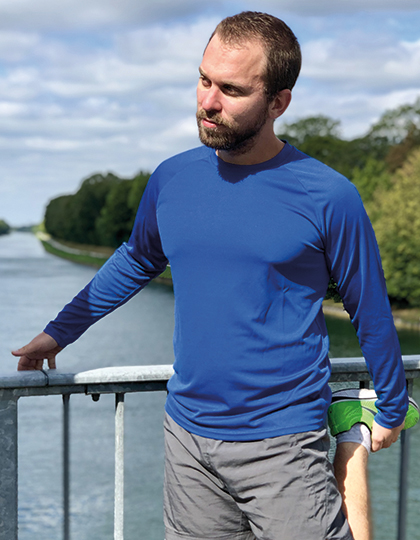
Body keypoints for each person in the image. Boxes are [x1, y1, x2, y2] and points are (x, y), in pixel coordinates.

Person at [13, 11, 409, 540]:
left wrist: (392, 406)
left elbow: (369, 306)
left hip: (284, 443)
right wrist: (59, 332)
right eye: (204, 80)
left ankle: (350, 441)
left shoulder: (329, 195)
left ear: (278, 103)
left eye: (231, 89)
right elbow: (136, 259)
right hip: (187, 442)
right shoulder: (172, 178)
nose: (208, 102)